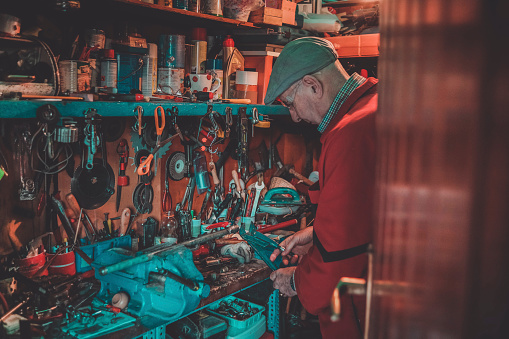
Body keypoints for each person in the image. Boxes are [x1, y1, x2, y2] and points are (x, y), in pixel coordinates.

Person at [265, 37, 378, 338]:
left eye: (290, 103)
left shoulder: (350, 135)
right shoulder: (375, 106)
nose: (294, 116)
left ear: (313, 85)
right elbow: (369, 216)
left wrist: (298, 282)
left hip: (365, 311)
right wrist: (316, 235)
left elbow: (339, 262)